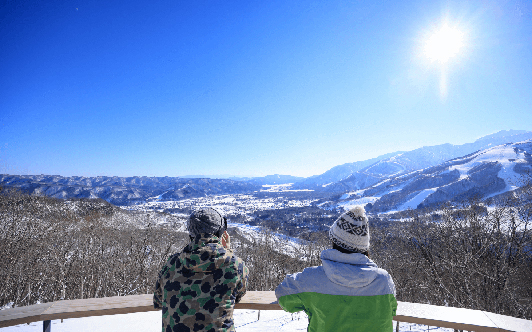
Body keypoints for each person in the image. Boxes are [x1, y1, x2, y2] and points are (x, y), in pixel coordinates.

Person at [275, 205, 397, 332]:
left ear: (334, 241)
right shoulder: (384, 280)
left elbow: (283, 295)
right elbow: (392, 310)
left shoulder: (311, 279)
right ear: (364, 248)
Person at [154, 207, 249, 332]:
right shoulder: (236, 265)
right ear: (221, 233)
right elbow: (237, 295)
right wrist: (226, 251)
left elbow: (158, 300)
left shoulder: (171, 264)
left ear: (191, 234)